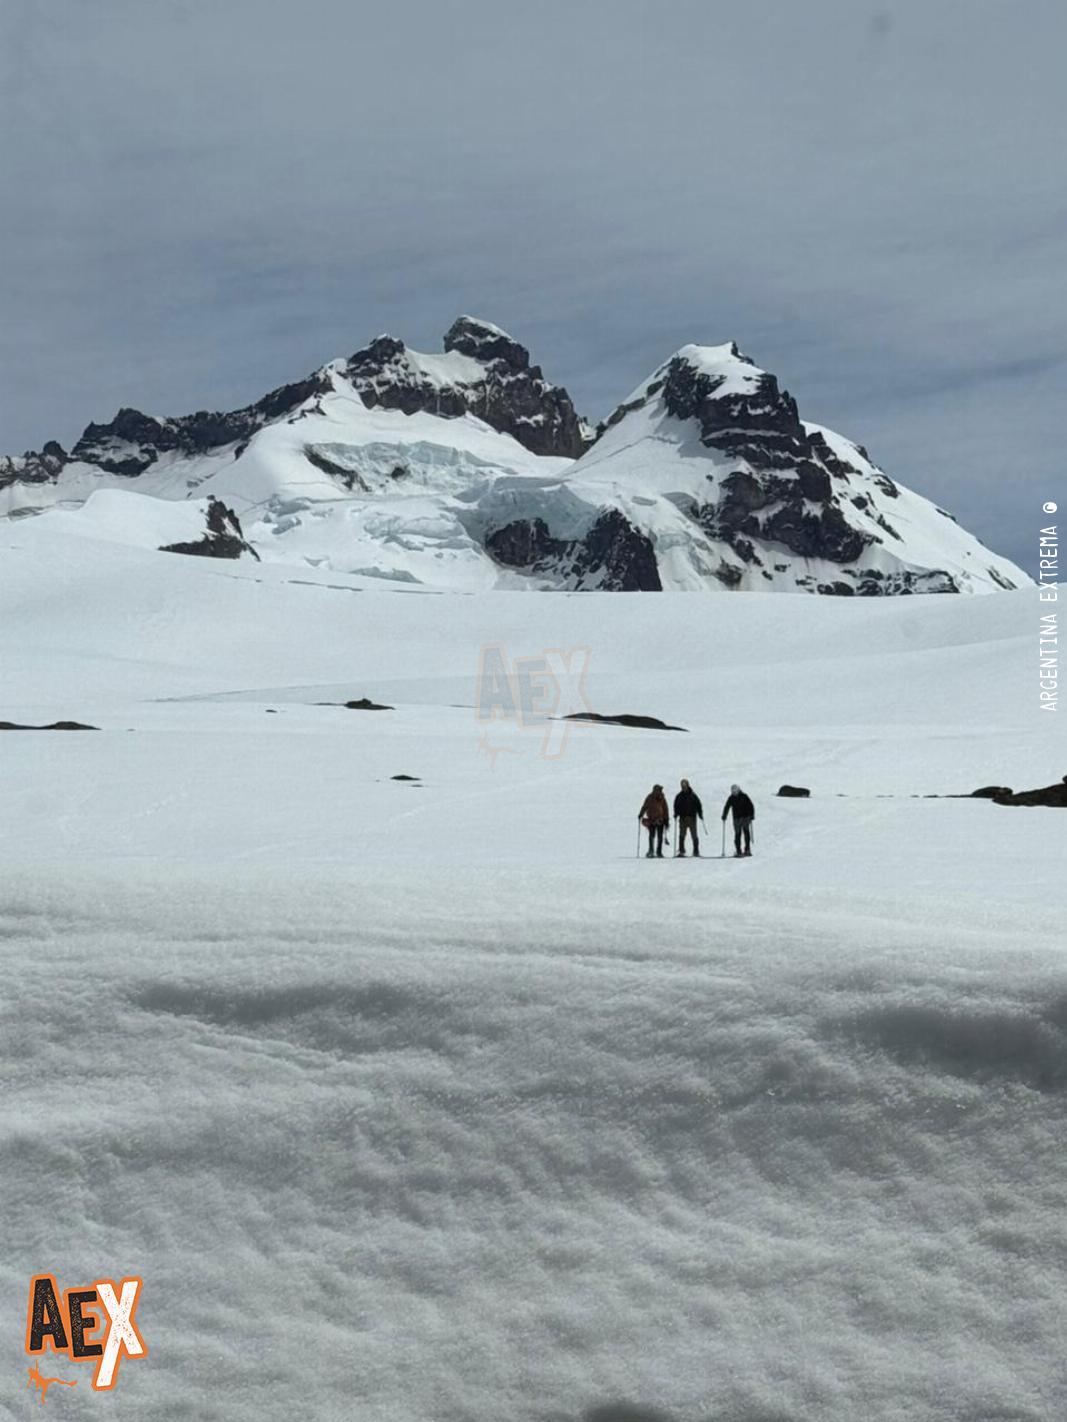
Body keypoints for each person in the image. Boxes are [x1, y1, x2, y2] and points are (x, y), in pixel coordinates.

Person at [721, 783, 755, 857]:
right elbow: (727, 806)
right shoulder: (731, 798)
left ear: (738, 790)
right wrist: (724, 815)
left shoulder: (744, 796)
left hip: (745, 817)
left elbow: (751, 805)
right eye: (733, 791)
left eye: (735, 791)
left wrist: (751, 815)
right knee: (737, 834)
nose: (734, 793)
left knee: (746, 833)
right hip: (736, 818)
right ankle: (738, 850)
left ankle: (747, 850)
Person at [673, 778, 704, 857]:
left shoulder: (693, 795)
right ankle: (681, 851)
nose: (684, 788)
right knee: (682, 835)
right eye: (682, 786)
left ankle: (696, 851)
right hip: (683, 818)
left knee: (694, 835)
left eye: (685, 786)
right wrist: (676, 813)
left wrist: (700, 814)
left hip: (692, 818)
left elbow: (698, 805)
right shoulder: (679, 796)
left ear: (688, 785)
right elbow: (676, 805)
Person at [638, 784, 669, 858]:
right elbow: (645, 806)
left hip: (660, 820)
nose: (659, 791)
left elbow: (665, 809)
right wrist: (641, 814)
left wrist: (666, 819)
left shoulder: (662, 798)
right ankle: (651, 850)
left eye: (659, 790)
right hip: (651, 819)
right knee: (652, 835)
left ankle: (658, 852)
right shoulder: (650, 797)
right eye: (658, 790)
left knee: (659, 836)